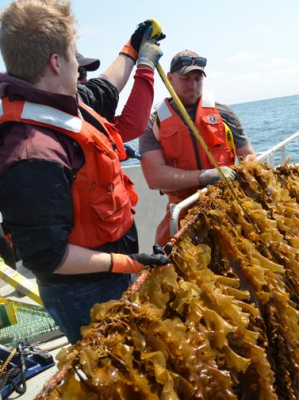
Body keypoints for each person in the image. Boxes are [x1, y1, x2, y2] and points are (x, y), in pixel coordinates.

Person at [0, 0, 168, 344]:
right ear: (56, 62)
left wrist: (134, 49)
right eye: (75, 56)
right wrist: (126, 263)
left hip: (115, 267)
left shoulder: (65, 102)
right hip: (81, 293)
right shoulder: (31, 154)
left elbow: (109, 84)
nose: (80, 64)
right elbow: (48, 257)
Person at [139, 50, 256, 246]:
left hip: (229, 205)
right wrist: (205, 176)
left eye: (197, 78)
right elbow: (154, 178)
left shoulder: (224, 113)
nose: (192, 85)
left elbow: (248, 155)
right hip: (182, 212)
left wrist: (244, 170)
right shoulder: (153, 123)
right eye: (185, 78)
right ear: (170, 79)